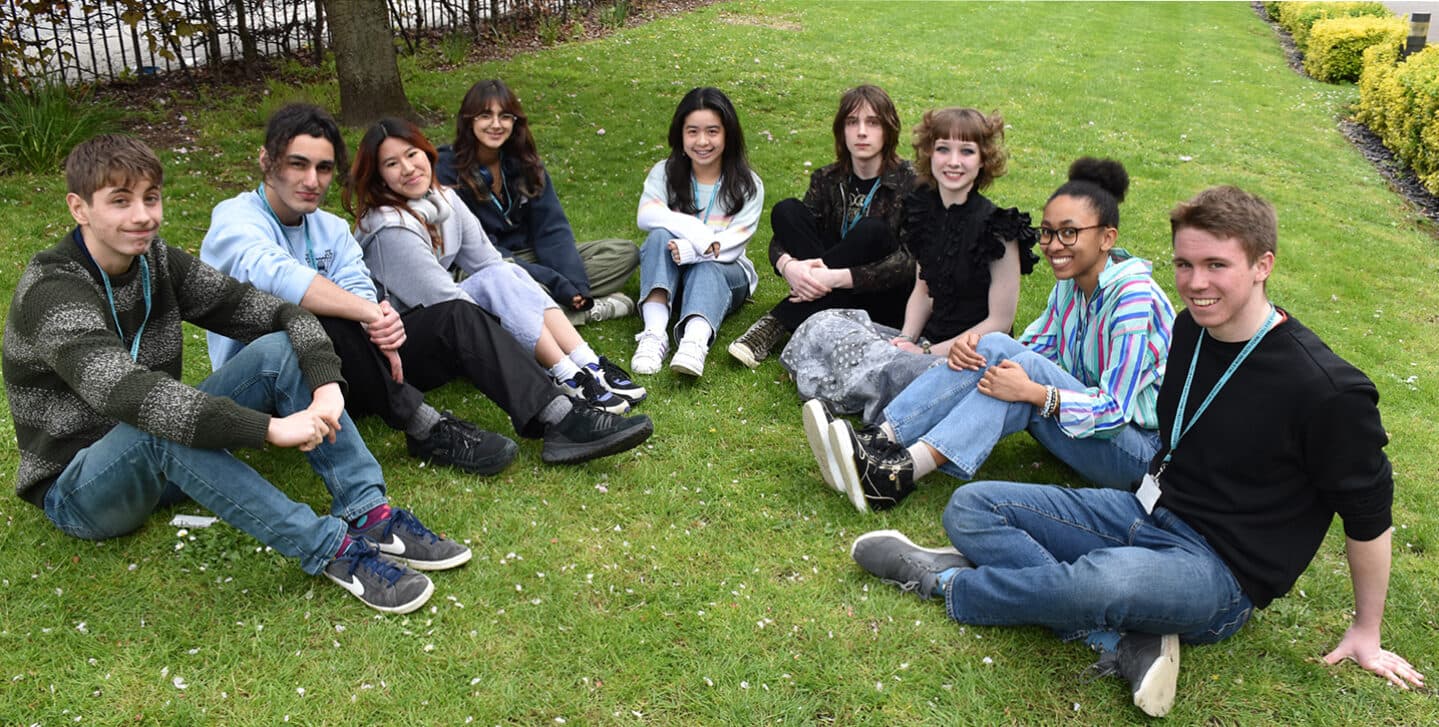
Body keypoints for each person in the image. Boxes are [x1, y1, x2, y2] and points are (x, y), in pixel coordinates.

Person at [848, 185, 1424, 718]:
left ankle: (946, 583)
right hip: (1144, 512)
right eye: (1185, 264)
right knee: (972, 508)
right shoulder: (1191, 331)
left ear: (1262, 265)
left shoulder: (1327, 389)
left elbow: (1369, 514)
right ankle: (1124, 639)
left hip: (1219, 572)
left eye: (1216, 265)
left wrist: (1366, 630)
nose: (1196, 283)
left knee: (1096, 583)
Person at [4, 134, 469, 614]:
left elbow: (280, 313)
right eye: (120, 202)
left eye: (151, 198)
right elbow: (129, 394)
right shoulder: (53, 289)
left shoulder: (155, 260)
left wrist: (326, 383)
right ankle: (331, 550)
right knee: (160, 424)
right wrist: (268, 428)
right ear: (79, 208)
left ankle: (369, 513)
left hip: (160, 459)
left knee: (277, 349)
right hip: (81, 489)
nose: (142, 216)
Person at [201, 103, 652, 468]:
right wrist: (369, 313)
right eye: (298, 164)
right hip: (273, 387)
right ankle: (428, 430)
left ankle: (560, 419)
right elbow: (279, 277)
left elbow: (360, 284)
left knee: (455, 315)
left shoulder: (330, 229)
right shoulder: (236, 219)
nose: (311, 180)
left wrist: (384, 323)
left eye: (322, 168)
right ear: (266, 160)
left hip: (344, 377)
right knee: (316, 316)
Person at [808, 158, 1175, 512]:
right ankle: (883, 444)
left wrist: (1035, 393)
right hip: (1085, 429)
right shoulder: (1072, 285)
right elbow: (1025, 350)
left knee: (1015, 379)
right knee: (999, 356)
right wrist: (975, 350)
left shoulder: (1133, 299)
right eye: (1047, 233)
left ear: (1107, 237)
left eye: (1069, 232)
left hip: (1138, 454)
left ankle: (895, 469)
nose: (1053, 245)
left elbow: (1113, 414)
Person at [347, 117, 644, 416]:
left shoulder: (443, 199)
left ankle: (588, 363)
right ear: (379, 177)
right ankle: (563, 373)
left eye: (412, 154)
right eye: (392, 164)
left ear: (426, 153)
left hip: (447, 320)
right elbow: (448, 304)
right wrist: (512, 315)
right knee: (497, 282)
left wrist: (515, 298)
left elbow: (488, 261)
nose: (409, 168)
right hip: (401, 345)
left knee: (503, 272)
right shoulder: (389, 229)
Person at [781, 107, 1038, 423]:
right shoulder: (925, 216)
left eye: (967, 151)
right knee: (825, 322)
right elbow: (922, 290)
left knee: (909, 369)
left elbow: (1000, 322)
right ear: (930, 154)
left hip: (967, 359)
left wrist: (928, 353)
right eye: (943, 149)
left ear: (983, 160)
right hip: (921, 347)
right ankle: (884, 379)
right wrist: (905, 339)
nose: (953, 161)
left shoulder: (1000, 228)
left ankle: (880, 389)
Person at [727, 84, 918, 369]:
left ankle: (777, 321)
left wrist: (836, 278)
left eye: (872, 123)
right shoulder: (827, 178)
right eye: (852, 122)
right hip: (836, 290)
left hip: (885, 296)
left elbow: (909, 263)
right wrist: (788, 267)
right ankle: (813, 298)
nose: (862, 132)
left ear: (889, 130)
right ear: (842, 130)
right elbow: (784, 238)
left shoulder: (910, 182)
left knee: (872, 231)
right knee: (786, 211)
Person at [436, 78, 640, 325]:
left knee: (624, 253)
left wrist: (574, 285)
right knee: (500, 283)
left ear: (515, 121)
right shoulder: (446, 169)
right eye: (485, 116)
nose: (496, 125)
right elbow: (478, 252)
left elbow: (552, 230)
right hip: (483, 262)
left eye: (505, 116)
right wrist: (555, 281)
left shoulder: (524, 162)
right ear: (469, 120)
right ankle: (576, 313)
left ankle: (542, 309)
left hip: (528, 256)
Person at [631, 86, 765, 378]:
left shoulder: (747, 184)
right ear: (680, 134)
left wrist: (695, 250)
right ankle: (654, 335)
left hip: (727, 272)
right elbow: (647, 215)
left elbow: (732, 244)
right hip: (673, 273)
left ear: (728, 134)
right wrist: (693, 229)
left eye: (712, 131)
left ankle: (694, 341)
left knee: (708, 268)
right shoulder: (664, 172)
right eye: (692, 131)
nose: (702, 141)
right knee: (657, 236)